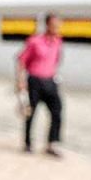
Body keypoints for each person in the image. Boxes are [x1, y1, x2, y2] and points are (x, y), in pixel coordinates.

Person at [17, 12, 64, 156]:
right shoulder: (34, 41)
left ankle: (51, 145)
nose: (57, 27)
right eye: (54, 24)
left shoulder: (58, 42)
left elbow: (56, 60)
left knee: (57, 111)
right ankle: (27, 144)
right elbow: (22, 61)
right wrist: (20, 81)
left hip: (50, 81)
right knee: (30, 113)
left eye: (58, 24)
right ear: (47, 24)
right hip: (34, 81)